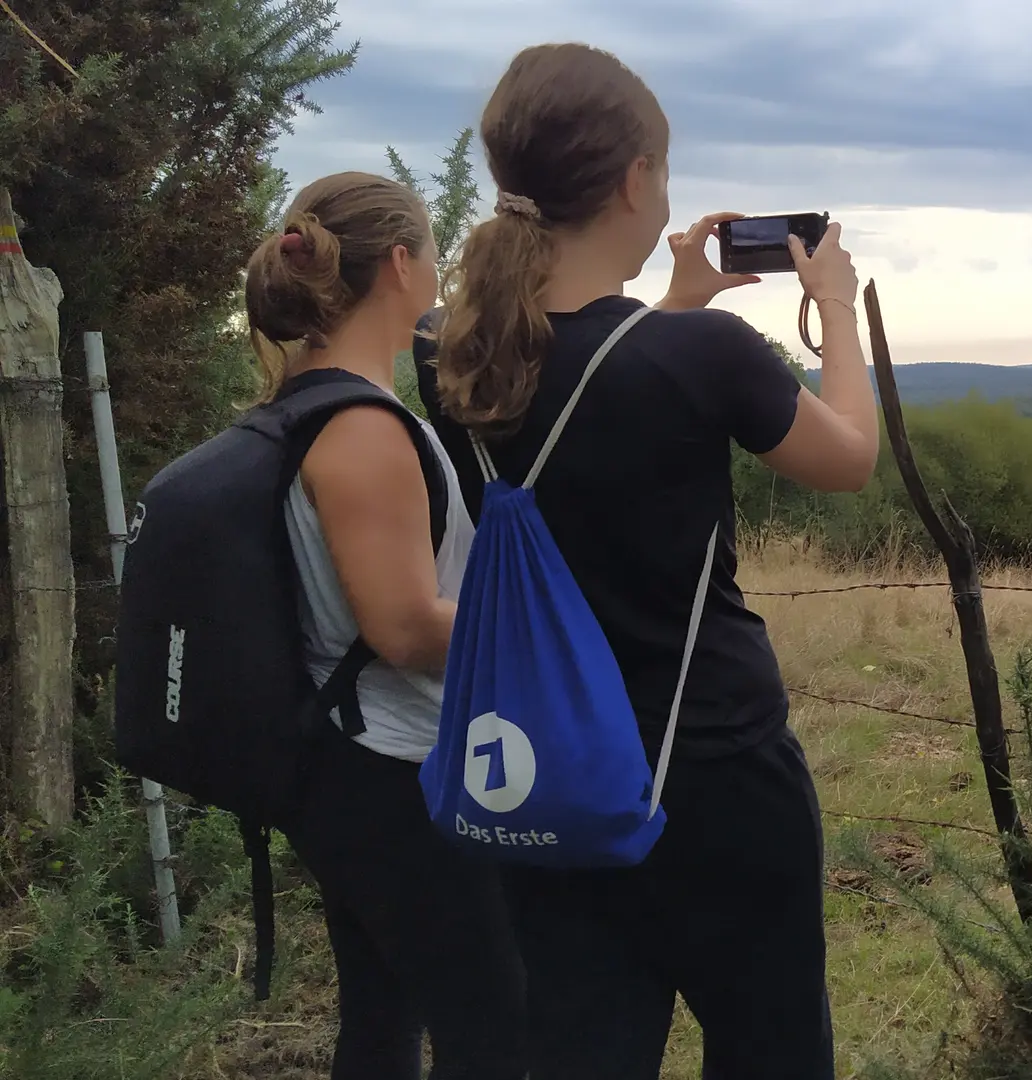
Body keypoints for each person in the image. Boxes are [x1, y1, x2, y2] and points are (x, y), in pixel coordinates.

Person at [412, 42, 878, 1080]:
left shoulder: (452, 353)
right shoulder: (700, 357)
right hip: (710, 766)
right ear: (635, 180)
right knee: (769, 1047)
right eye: (659, 170)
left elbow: (593, 396)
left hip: (547, 773)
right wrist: (836, 308)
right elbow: (848, 460)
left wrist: (676, 301)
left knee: (586, 1048)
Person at [244, 171, 527, 1080]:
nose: (440, 274)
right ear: (400, 265)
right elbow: (404, 628)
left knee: (381, 1016)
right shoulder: (364, 427)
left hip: (351, 758)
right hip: (392, 773)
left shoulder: (313, 401)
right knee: (494, 1030)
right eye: (433, 255)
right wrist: (537, 631)